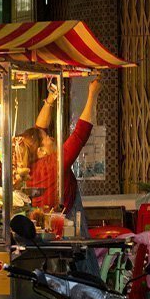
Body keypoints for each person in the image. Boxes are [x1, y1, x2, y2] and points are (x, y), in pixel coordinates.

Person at [25, 78, 101, 275]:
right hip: (66, 227)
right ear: (41, 150)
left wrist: (50, 99)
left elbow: (38, 129)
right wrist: (92, 94)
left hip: (46, 230)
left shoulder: (28, 165)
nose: (51, 137)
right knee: (83, 266)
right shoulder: (55, 163)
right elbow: (81, 133)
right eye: (47, 138)